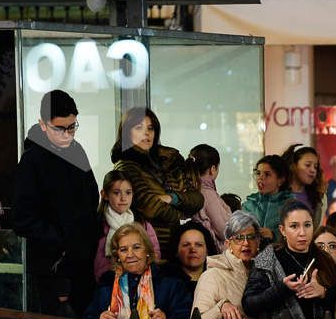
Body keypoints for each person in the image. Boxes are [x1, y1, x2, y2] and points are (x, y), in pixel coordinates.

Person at [13, 89, 98, 317]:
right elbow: (22, 218)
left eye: (72, 127)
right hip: (51, 267)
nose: (67, 134)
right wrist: (61, 240)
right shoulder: (31, 161)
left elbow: (91, 195)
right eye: (60, 128)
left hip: (82, 263)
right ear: (43, 124)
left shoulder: (77, 150)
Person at [111, 107, 204, 254]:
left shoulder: (167, 163)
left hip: (179, 246)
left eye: (150, 128)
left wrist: (172, 198)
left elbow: (197, 199)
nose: (146, 133)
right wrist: (184, 218)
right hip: (150, 246)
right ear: (127, 133)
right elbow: (150, 206)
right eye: (139, 127)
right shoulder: (126, 166)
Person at [242, 199, 336, 319]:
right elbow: (249, 305)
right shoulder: (268, 259)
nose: (302, 233)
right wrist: (281, 288)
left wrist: (324, 293)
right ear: (282, 230)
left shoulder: (324, 258)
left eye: (307, 225)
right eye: (294, 226)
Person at [84, 223, 191, 319]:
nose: (130, 255)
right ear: (118, 256)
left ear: (147, 251)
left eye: (136, 247)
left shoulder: (170, 282)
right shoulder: (107, 284)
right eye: (123, 250)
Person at [192, 211, 261, 319]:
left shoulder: (267, 272)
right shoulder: (212, 276)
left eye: (251, 237)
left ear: (258, 241)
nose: (246, 243)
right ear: (228, 244)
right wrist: (221, 307)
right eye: (239, 238)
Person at [93, 170, 160, 282]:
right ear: (104, 195)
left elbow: (155, 254)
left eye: (128, 193)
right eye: (116, 193)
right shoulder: (96, 225)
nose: (123, 198)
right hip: (105, 284)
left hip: (141, 283)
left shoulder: (143, 224)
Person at [188, 144, 232, 252]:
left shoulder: (188, 191)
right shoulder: (207, 194)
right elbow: (224, 230)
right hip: (211, 254)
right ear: (213, 169)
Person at [243, 154, 291, 243]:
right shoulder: (248, 205)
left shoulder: (290, 205)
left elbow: (296, 234)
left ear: (280, 180)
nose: (260, 178)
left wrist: (274, 235)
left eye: (267, 174)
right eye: (258, 173)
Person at [162, 221, 218, 296]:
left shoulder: (218, 278)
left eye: (199, 245)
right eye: (186, 245)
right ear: (176, 251)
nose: (193, 250)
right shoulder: (165, 281)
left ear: (207, 250)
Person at [283, 144, 327, 228]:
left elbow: (317, 230)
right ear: (294, 166)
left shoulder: (320, 198)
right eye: (307, 165)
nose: (313, 170)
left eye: (315, 167)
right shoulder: (278, 194)